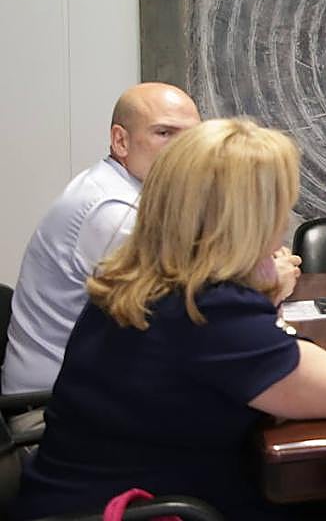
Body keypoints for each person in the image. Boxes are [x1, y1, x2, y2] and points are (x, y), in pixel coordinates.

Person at [13, 118, 326, 519]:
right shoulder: (206, 306)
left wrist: (260, 294)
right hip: (159, 508)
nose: (284, 218)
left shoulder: (144, 274)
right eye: (278, 204)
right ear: (245, 218)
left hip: (79, 496)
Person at [2, 82, 208, 394]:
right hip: (47, 404)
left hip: (88, 383)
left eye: (192, 137)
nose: (183, 150)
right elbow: (185, 316)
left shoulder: (132, 189)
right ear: (120, 141)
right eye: (164, 133)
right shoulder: (112, 211)